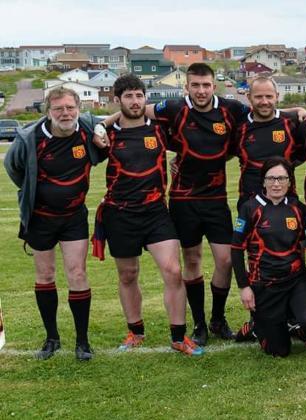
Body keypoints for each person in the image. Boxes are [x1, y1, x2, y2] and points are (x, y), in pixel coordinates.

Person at [93, 63, 251, 345]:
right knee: (190, 261)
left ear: (213, 85)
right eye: (195, 85)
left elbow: (263, 115)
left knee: (225, 260)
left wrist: (302, 112)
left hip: (215, 198)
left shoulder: (232, 109)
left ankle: (217, 319)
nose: (201, 90)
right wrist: (100, 123)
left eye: (206, 85)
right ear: (186, 86)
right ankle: (199, 325)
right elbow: (134, 111)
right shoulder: (172, 109)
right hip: (182, 199)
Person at [91, 74, 202, 356]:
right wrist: (101, 124)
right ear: (118, 100)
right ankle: (135, 331)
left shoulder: (160, 130)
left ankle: (179, 336)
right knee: (128, 274)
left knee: (173, 271)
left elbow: (193, 145)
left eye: (139, 95)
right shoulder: (107, 135)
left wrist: (179, 160)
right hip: (119, 213)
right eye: (128, 96)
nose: (135, 101)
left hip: (155, 212)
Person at [4, 87, 103, 360]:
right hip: (40, 219)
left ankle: (82, 342)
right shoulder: (29, 138)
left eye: (70, 107)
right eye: (58, 108)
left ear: (78, 109)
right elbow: (13, 168)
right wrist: (32, 192)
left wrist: (102, 133)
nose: (65, 113)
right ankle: (52, 339)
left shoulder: (87, 130)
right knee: (45, 276)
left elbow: (112, 121)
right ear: (48, 111)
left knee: (78, 274)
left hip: (73, 218)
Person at [232, 157, 306, 356]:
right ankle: (257, 326)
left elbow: (304, 243)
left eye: (282, 178)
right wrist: (244, 287)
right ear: (263, 181)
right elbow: (236, 249)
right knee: (278, 351)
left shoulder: (297, 208)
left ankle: (299, 326)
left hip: (295, 280)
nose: (276, 184)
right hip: (265, 284)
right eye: (271, 178)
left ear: (290, 182)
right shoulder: (249, 208)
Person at [232, 75, 304, 210]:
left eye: (269, 96)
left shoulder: (292, 122)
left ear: (276, 96)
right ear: (249, 97)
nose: (264, 101)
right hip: (249, 204)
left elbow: (303, 154)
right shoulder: (238, 127)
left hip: (287, 204)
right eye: (258, 97)